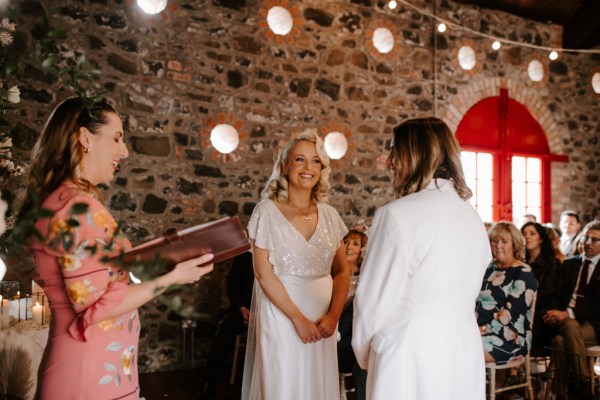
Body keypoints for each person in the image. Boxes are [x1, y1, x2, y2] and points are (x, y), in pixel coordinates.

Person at [18, 97, 215, 400]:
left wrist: (157, 263)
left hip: (96, 369)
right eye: (117, 137)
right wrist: (172, 278)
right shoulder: (75, 206)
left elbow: (103, 285)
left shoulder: (61, 200)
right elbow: (96, 309)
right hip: (89, 377)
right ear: (85, 138)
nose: (124, 151)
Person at [352, 117, 492, 399]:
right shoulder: (473, 218)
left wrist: (365, 355)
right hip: (462, 354)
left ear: (415, 155)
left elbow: (371, 303)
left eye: (395, 151)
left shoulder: (396, 215)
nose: (389, 162)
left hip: (407, 356)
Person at [241, 129, 349, 399]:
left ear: (322, 168)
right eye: (299, 160)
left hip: (323, 318)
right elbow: (262, 273)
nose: (308, 168)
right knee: (284, 384)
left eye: (315, 161)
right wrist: (298, 319)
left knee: (317, 386)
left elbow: (342, 270)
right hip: (283, 315)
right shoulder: (265, 210)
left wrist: (334, 315)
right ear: (285, 166)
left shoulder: (330, 215)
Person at [543, 220, 600, 399]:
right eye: (586, 238)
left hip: (593, 323)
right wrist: (553, 312)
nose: (588, 243)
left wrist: (568, 314)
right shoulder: (569, 264)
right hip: (565, 320)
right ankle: (585, 385)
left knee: (560, 342)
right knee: (568, 325)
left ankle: (562, 394)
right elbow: (558, 295)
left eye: (595, 240)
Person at [477, 222, 537, 365]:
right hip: (477, 331)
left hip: (510, 338)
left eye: (504, 241)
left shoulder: (523, 273)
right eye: (494, 241)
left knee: (463, 352)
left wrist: (482, 329)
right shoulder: (488, 268)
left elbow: (513, 314)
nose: (498, 246)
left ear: (514, 244)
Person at [198, 251, 254, 399]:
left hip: (269, 313)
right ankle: (210, 381)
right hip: (244, 310)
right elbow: (232, 286)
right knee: (224, 328)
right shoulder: (243, 256)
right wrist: (242, 309)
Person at [336, 228, 368, 399]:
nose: (349, 247)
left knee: (360, 300)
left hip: (352, 342)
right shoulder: (330, 273)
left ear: (362, 250)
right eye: (346, 241)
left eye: (355, 244)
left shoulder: (367, 277)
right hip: (328, 330)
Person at [521, 222, 560, 356]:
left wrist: (525, 301)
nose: (527, 237)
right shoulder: (520, 262)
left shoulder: (552, 262)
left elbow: (548, 291)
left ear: (541, 239)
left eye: (532, 234)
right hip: (522, 303)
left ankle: (523, 362)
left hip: (540, 306)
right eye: (524, 234)